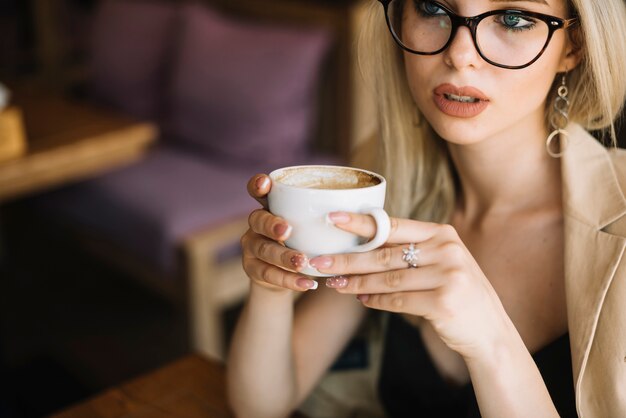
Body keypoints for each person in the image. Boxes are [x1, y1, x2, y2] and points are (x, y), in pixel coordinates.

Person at [227, 0, 626, 417]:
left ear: (572, 47)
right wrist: (271, 287)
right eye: (433, 7)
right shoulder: (382, 183)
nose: (459, 54)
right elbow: (262, 406)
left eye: (513, 19)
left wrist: (491, 341)